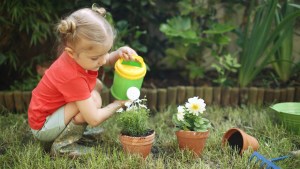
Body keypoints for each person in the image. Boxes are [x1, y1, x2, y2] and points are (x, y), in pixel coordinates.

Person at [27, 5, 138, 158]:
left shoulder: (79, 55)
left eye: (106, 52)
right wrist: (118, 103)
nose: (103, 59)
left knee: (95, 87)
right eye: (95, 58)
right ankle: (63, 146)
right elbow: (94, 118)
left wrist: (118, 53)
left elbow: (102, 59)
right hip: (44, 126)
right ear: (71, 53)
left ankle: (76, 132)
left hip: (51, 113)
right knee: (92, 100)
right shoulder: (73, 77)